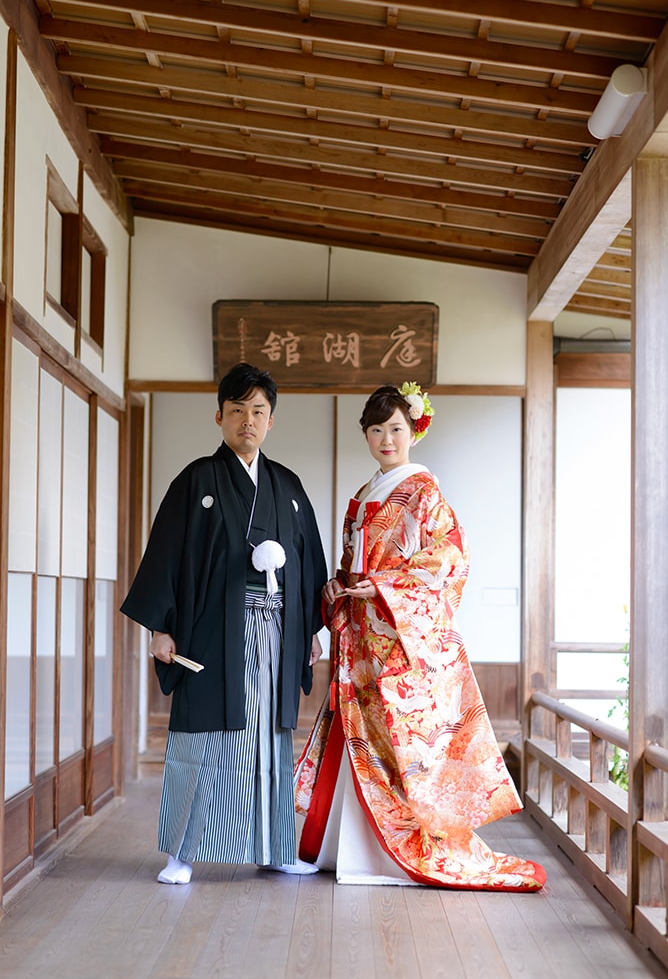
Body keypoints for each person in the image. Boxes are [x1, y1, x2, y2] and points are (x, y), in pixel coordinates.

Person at [295, 383, 546, 891]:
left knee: (400, 745)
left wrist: (383, 586)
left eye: (396, 429)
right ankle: (340, 849)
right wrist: (340, 585)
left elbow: (448, 561)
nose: (386, 439)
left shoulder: (424, 491)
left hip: (397, 642)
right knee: (357, 735)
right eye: (376, 430)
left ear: (414, 431)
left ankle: (394, 853)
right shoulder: (369, 491)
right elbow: (353, 562)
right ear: (365, 435)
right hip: (363, 634)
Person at [121, 362, 327, 883]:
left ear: (271, 421)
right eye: (237, 411)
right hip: (213, 635)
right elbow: (165, 555)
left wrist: (309, 634)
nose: (248, 421)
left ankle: (275, 847)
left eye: (258, 411)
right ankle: (182, 852)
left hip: (278, 632)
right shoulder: (197, 481)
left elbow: (309, 567)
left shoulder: (289, 487)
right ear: (219, 417)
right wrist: (159, 627)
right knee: (204, 736)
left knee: (270, 737)